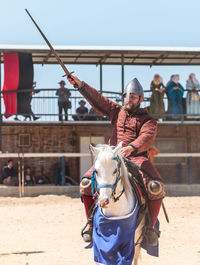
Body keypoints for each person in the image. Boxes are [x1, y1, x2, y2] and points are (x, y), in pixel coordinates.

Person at [67, 75, 165, 246]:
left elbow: (147, 137)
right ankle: (90, 224)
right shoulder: (116, 111)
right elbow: (98, 99)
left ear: (141, 99)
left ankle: (149, 228)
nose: (129, 99)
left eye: (133, 97)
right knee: (85, 183)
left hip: (137, 158)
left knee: (156, 187)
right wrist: (80, 85)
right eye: (126, 96)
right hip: (113, 157)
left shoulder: (149, 120)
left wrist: (132, 148)